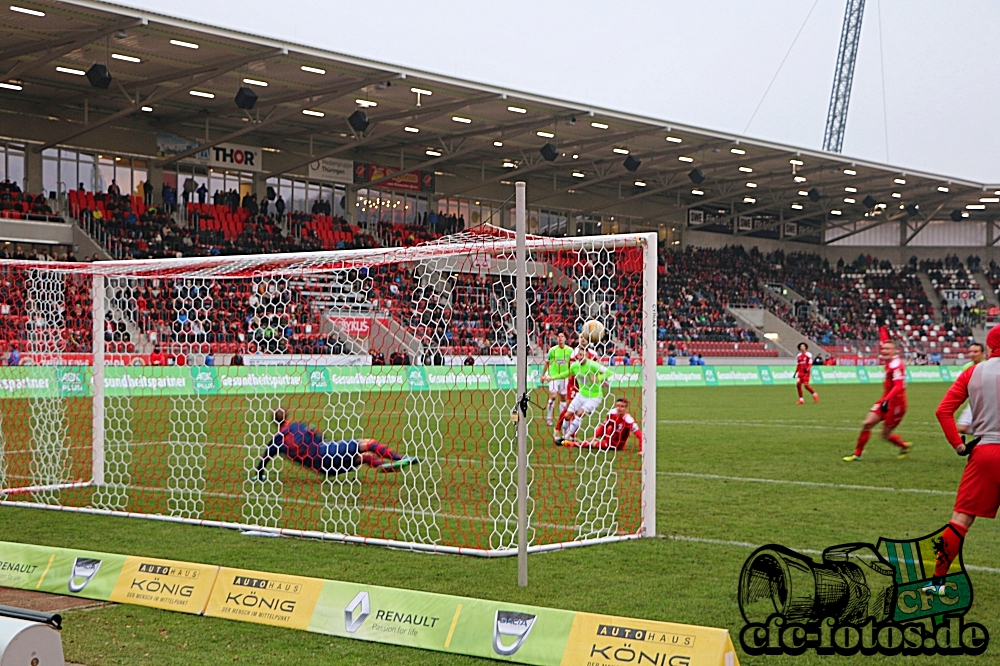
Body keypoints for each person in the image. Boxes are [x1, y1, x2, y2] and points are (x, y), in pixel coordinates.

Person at [930, 326, 1000, 597]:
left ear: (989, 344)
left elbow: (943, 411)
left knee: (960, 520)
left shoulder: (974, 371)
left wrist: (959, 445)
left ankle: (937, 582)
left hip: (984, 452)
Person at [255, 409, 417, 479]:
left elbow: (264, 458)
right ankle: (399, 458)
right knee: (367, 444)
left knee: (362, 458)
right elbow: (318, 435)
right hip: (326, 453)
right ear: (288, 417)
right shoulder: (297, 426)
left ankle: (383, 466)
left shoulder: (276, 440)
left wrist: (259, 475)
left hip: (323, 470)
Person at [844, 334, 912, 461]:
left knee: (885, 435)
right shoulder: (889, 363)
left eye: (888, 349)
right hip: (885, 400)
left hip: (897, 405)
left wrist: (887, 400)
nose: (884, 351)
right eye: (883, 348)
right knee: (867, 423)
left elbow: (898, 386)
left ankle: (903, 446)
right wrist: (885, 400)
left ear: (894, 351)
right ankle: (857, 454)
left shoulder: (896, 365)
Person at [557, 354, 609, 444]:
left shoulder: (592, 364)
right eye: (579, 355)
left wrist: (598, 378)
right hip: (579, 391)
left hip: (593, 395)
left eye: (582, 354)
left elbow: (608, 372)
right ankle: (564, 433)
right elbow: (566, 373)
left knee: (579, 413)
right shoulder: (575, 365)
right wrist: (550, 377)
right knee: (567, 414)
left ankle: (566, 436)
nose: (580, 357)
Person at [562, 397, 643, 451]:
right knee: (608, 428)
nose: (619, 408)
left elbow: (640, 435)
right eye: (618, 406)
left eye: (622, 406)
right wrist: (594, 436)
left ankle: (573, 444)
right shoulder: (612, 413)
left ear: (626, 408)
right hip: (608, 439)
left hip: (618, 445)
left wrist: (641, 450)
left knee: (594, 444)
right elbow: (603, 426)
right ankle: (579, 442)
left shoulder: (628, 420)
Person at [541, 332, 572, 427]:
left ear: (565, 339)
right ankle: (549, 419)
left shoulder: (570, 350)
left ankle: (561, 419)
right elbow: (547, 363)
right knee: (553, 396)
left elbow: (572, 364)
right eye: (558, 337)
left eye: (562, 336)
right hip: (553, 376)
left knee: (563, 398)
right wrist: (543, 375)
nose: (560, 338)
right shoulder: (552, 350)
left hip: (564, 377)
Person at [957, 342, 985, 434]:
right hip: (974, 401)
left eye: (976, 351)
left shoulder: (988, 366)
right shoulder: (966, 368)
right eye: (971, 352)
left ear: (982, 353)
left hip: (988, 402)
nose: (972, 354)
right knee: (962, 428)